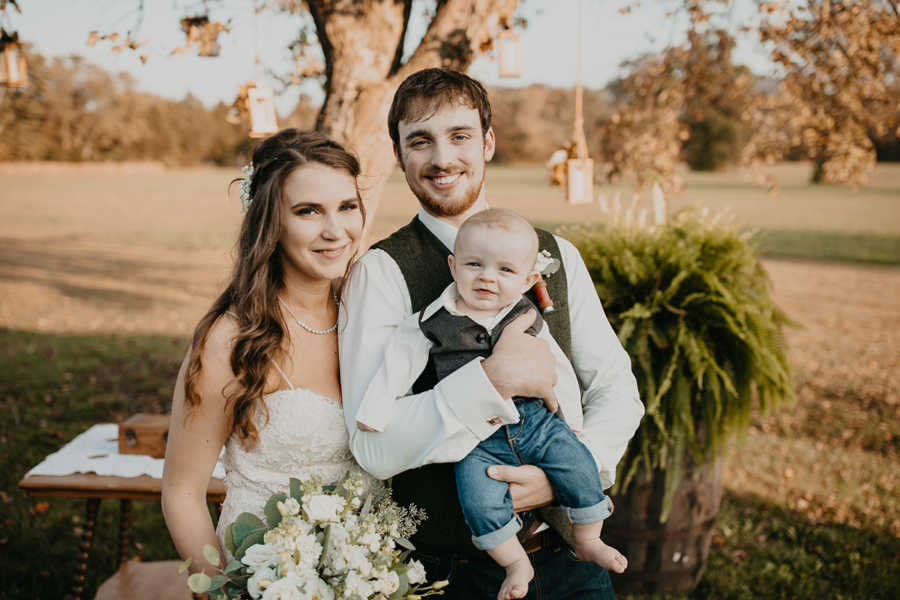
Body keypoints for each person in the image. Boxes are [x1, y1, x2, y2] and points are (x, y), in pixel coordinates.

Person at [340, 68, 644, 600]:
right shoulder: (383, 272)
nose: (442, 159)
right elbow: (374, 446)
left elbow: (616, 387)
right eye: (420, 141)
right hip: (452, 575)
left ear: (488, 143)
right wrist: (490, 381)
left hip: (569, 561)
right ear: (398, 153)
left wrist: (567, 474)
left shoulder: (556, 254)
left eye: (459, 137)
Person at [355, 208, 627, 600]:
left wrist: (570, 429)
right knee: (479, 501)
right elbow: (399, 360)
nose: (486, 276)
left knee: (581, 463)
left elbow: (560, 371)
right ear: (454, 265)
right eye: (474, 265)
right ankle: (515, 563)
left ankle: (589, 537)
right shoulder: (431, 318)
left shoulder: (527, 313)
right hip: (476, 440)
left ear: (529, 278)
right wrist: (375, 410)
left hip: (539, 425)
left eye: (504, 270)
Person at [161, 129, 378, 574]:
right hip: (263, 576)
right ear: (270, 221)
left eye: (347, 207)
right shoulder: (231, 339)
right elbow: (182, 493)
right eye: (308, 211)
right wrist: (223, 589)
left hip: (372, 571)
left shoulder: (372, 313)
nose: (335, 231)